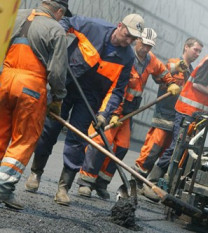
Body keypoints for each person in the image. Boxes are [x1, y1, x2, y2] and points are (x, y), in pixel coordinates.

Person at [24, 13, 144, 206]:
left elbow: (117, 90)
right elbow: (65, 22)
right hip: (66, 84)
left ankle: (63, 188)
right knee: (49, 130)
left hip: (90, 98)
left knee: (77, 140)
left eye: (133, 38)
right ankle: (35, 174)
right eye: (127, 35)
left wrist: (104, 114)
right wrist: (60, 36)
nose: (128, 41)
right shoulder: (92, 26)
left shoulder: (127, 56)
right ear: (119, 25)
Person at [76, 28, 181, 199]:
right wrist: (115, 112)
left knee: (122, 148)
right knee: (101, 145)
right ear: (137, 40)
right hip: (113, 109)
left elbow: (162, 71)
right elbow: (118, 88)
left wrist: (170, 82)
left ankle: (101, 183)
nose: (146, 49)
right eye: (144, 44)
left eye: (149, 46)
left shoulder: (150, 60)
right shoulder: (127, 58)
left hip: (129, 113)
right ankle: (86, 182)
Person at [142, 35, 208, 201]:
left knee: (188, 150)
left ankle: (170, 185)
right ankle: (150, 182)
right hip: (187, 111)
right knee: (177, 147)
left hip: (198, 114)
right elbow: (197, 84)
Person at [0, 0, 70, 210]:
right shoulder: (56, 30)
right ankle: (3, 187)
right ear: (59, 11)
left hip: (4, 80)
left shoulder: (16, 16)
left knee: (1, 132)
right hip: (30, 87)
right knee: (25, 137)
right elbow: (57, 72)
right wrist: (57, 98)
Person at [134, 37, 203, 178]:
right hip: (164, 116)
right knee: (153, 149)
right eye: (195, 50)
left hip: (179, 119)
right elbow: (161, 74)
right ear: (186, 47)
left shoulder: (192, 73)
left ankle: (152, 182)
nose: (197, 54)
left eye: (199, 52)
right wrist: (176, 68)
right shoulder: (173, 63)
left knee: (167, 152)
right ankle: (136, 179)